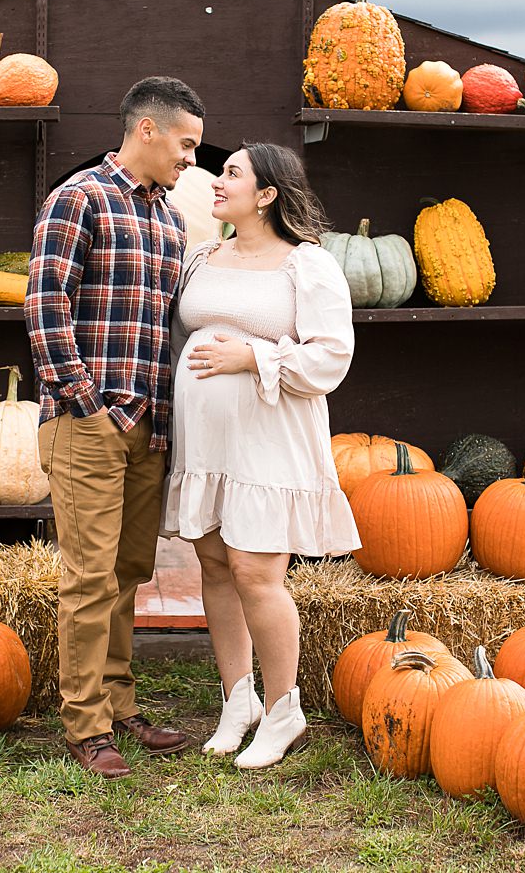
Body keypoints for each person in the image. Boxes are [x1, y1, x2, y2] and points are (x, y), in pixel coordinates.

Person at [26, 76, 205, 779]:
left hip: (147, 428)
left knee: (130, 573)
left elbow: (164, 332)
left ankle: (120, 703)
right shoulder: (79, 199)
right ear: (149, 131)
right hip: (87, 423)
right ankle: (84, 724)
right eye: (186, 143)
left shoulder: (172, 223)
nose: (193, 157)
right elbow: (45, 308)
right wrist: (85, 405)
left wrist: (158, 423)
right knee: (90, 577)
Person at [161, 143, 358, 769]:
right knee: (214, 565)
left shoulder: (308, 265)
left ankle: (283, 710)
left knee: (256, 572)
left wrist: (252, 358)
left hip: (270, 441)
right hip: (208, 442)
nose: (216, 181)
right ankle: (237, 700)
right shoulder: (202, 257)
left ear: (267, 194)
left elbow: (332, 355)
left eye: (231, 174)